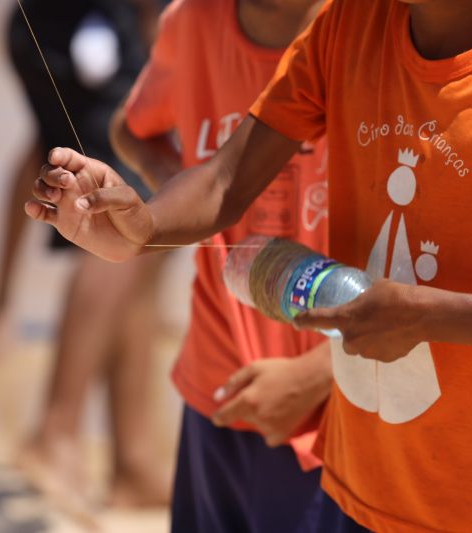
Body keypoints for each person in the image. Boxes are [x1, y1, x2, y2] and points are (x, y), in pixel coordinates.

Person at [25, 0, 472, 531]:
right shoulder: (348, 27)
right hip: (357, 483)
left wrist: (427, 315)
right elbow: (226, 181)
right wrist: (144, 226)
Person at [107, 1, 342, 532]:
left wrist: (321, 374)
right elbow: (133, 127)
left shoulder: (368, 29)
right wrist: (180, 197)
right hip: (216, 380)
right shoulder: (192, 20)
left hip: (337, 401)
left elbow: (437, 254)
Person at [0, 0, 170, 514]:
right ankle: (56, 432)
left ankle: (132, 464)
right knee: (130, 206)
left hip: (53, 29)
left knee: (146, 229)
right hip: (94, 36)